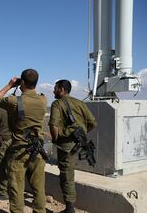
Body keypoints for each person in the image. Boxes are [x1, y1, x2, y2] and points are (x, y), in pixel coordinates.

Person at [0, 69, 47, 213]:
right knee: (38, 186)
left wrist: (10, 85)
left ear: (22, 82)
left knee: (16, 186)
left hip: (20, 150)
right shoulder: (43, 99)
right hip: (38, 150)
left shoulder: (14, 101)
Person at [49, 79, 97, 213]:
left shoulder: (57, 104)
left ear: (62, 90)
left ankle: (70, 209)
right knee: (69, 173)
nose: (53, 91)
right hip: (79, 144)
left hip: (66, 145)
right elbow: (93, 123)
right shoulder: (80, 103)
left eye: (55, 88)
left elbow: (53, 125)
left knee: (67, 175)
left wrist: (55, 139)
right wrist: (81, 133)